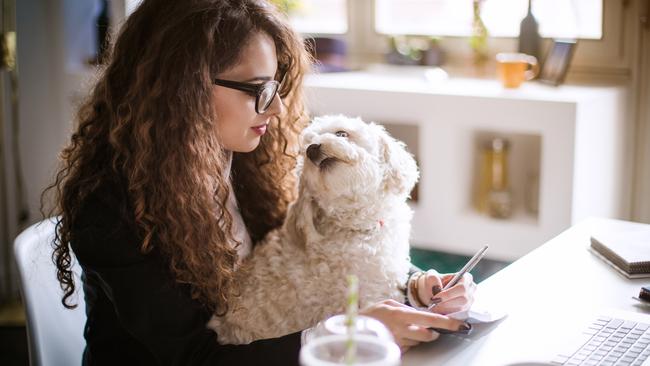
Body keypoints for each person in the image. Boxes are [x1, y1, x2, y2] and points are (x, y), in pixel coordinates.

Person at [43, 0, 476, 364]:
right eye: (257, 89)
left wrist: (416, 285)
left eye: (277, 88)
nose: (276, 110)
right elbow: (196, 357)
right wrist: (347, 333)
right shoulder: (111, 207)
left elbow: (328, 242)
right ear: (182, 88)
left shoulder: (249, 158)